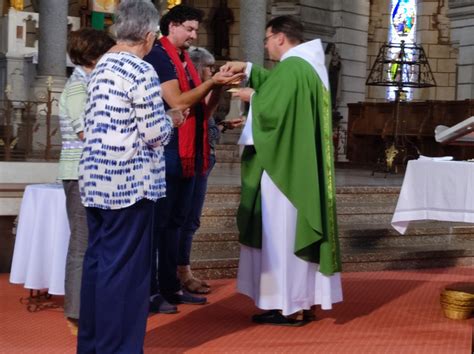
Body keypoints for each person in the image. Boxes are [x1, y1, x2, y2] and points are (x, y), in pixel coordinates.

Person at [221, 15, 343, 326]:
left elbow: (276, 107)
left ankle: (291, 307)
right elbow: (283, 93)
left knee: (281, 236)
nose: (265, 45)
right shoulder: (306, 65)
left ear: (279, 37)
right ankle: (300, 300)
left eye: (266, 39)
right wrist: (248, 69)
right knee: (287, 234)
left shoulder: (293, 66)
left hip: (284, 171)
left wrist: (253, 97)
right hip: (297, 166)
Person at [77, 1, 184, 352]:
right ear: (150, 35)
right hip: (129, 185)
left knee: (98, 265)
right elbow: (154, 133)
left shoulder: (102, 64)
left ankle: (92, 344)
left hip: (95, 181)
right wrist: (173, 119)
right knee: (126, 274)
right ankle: (117, 347)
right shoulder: (140, 70)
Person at [144, 5, 243, 313]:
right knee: (159, 226)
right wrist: (210, 83)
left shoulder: (186, 59)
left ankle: (172, 287)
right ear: (171, 26)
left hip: (189, 153)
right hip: (167, 152)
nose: (193, 34)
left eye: (195, 29)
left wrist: (218, 89)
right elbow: (176, 101)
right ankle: (152, 291)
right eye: (189, 28)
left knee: (176, 223)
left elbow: (202, 111)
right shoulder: (159, 57)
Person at [57, 27, 115, 333]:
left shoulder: (91, 82)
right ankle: (76, 313)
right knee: (82, 244)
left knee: (95, 243)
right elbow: (87, 132)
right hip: (79, 172)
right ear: (93, 55)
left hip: (92, 172)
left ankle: (91, 305)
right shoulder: (78, 86)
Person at [177, 47, 243, 294]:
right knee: (185, 218)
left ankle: (183, 268)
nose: (213, 71)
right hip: (191, 159)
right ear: (197, 68)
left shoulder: (203, 89)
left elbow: (208, 121)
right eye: (209, 67)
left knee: (191, 219)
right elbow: (199, 122)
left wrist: (217, 91)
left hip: (204, 158)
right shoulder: (188, 92)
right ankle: (181, 270)